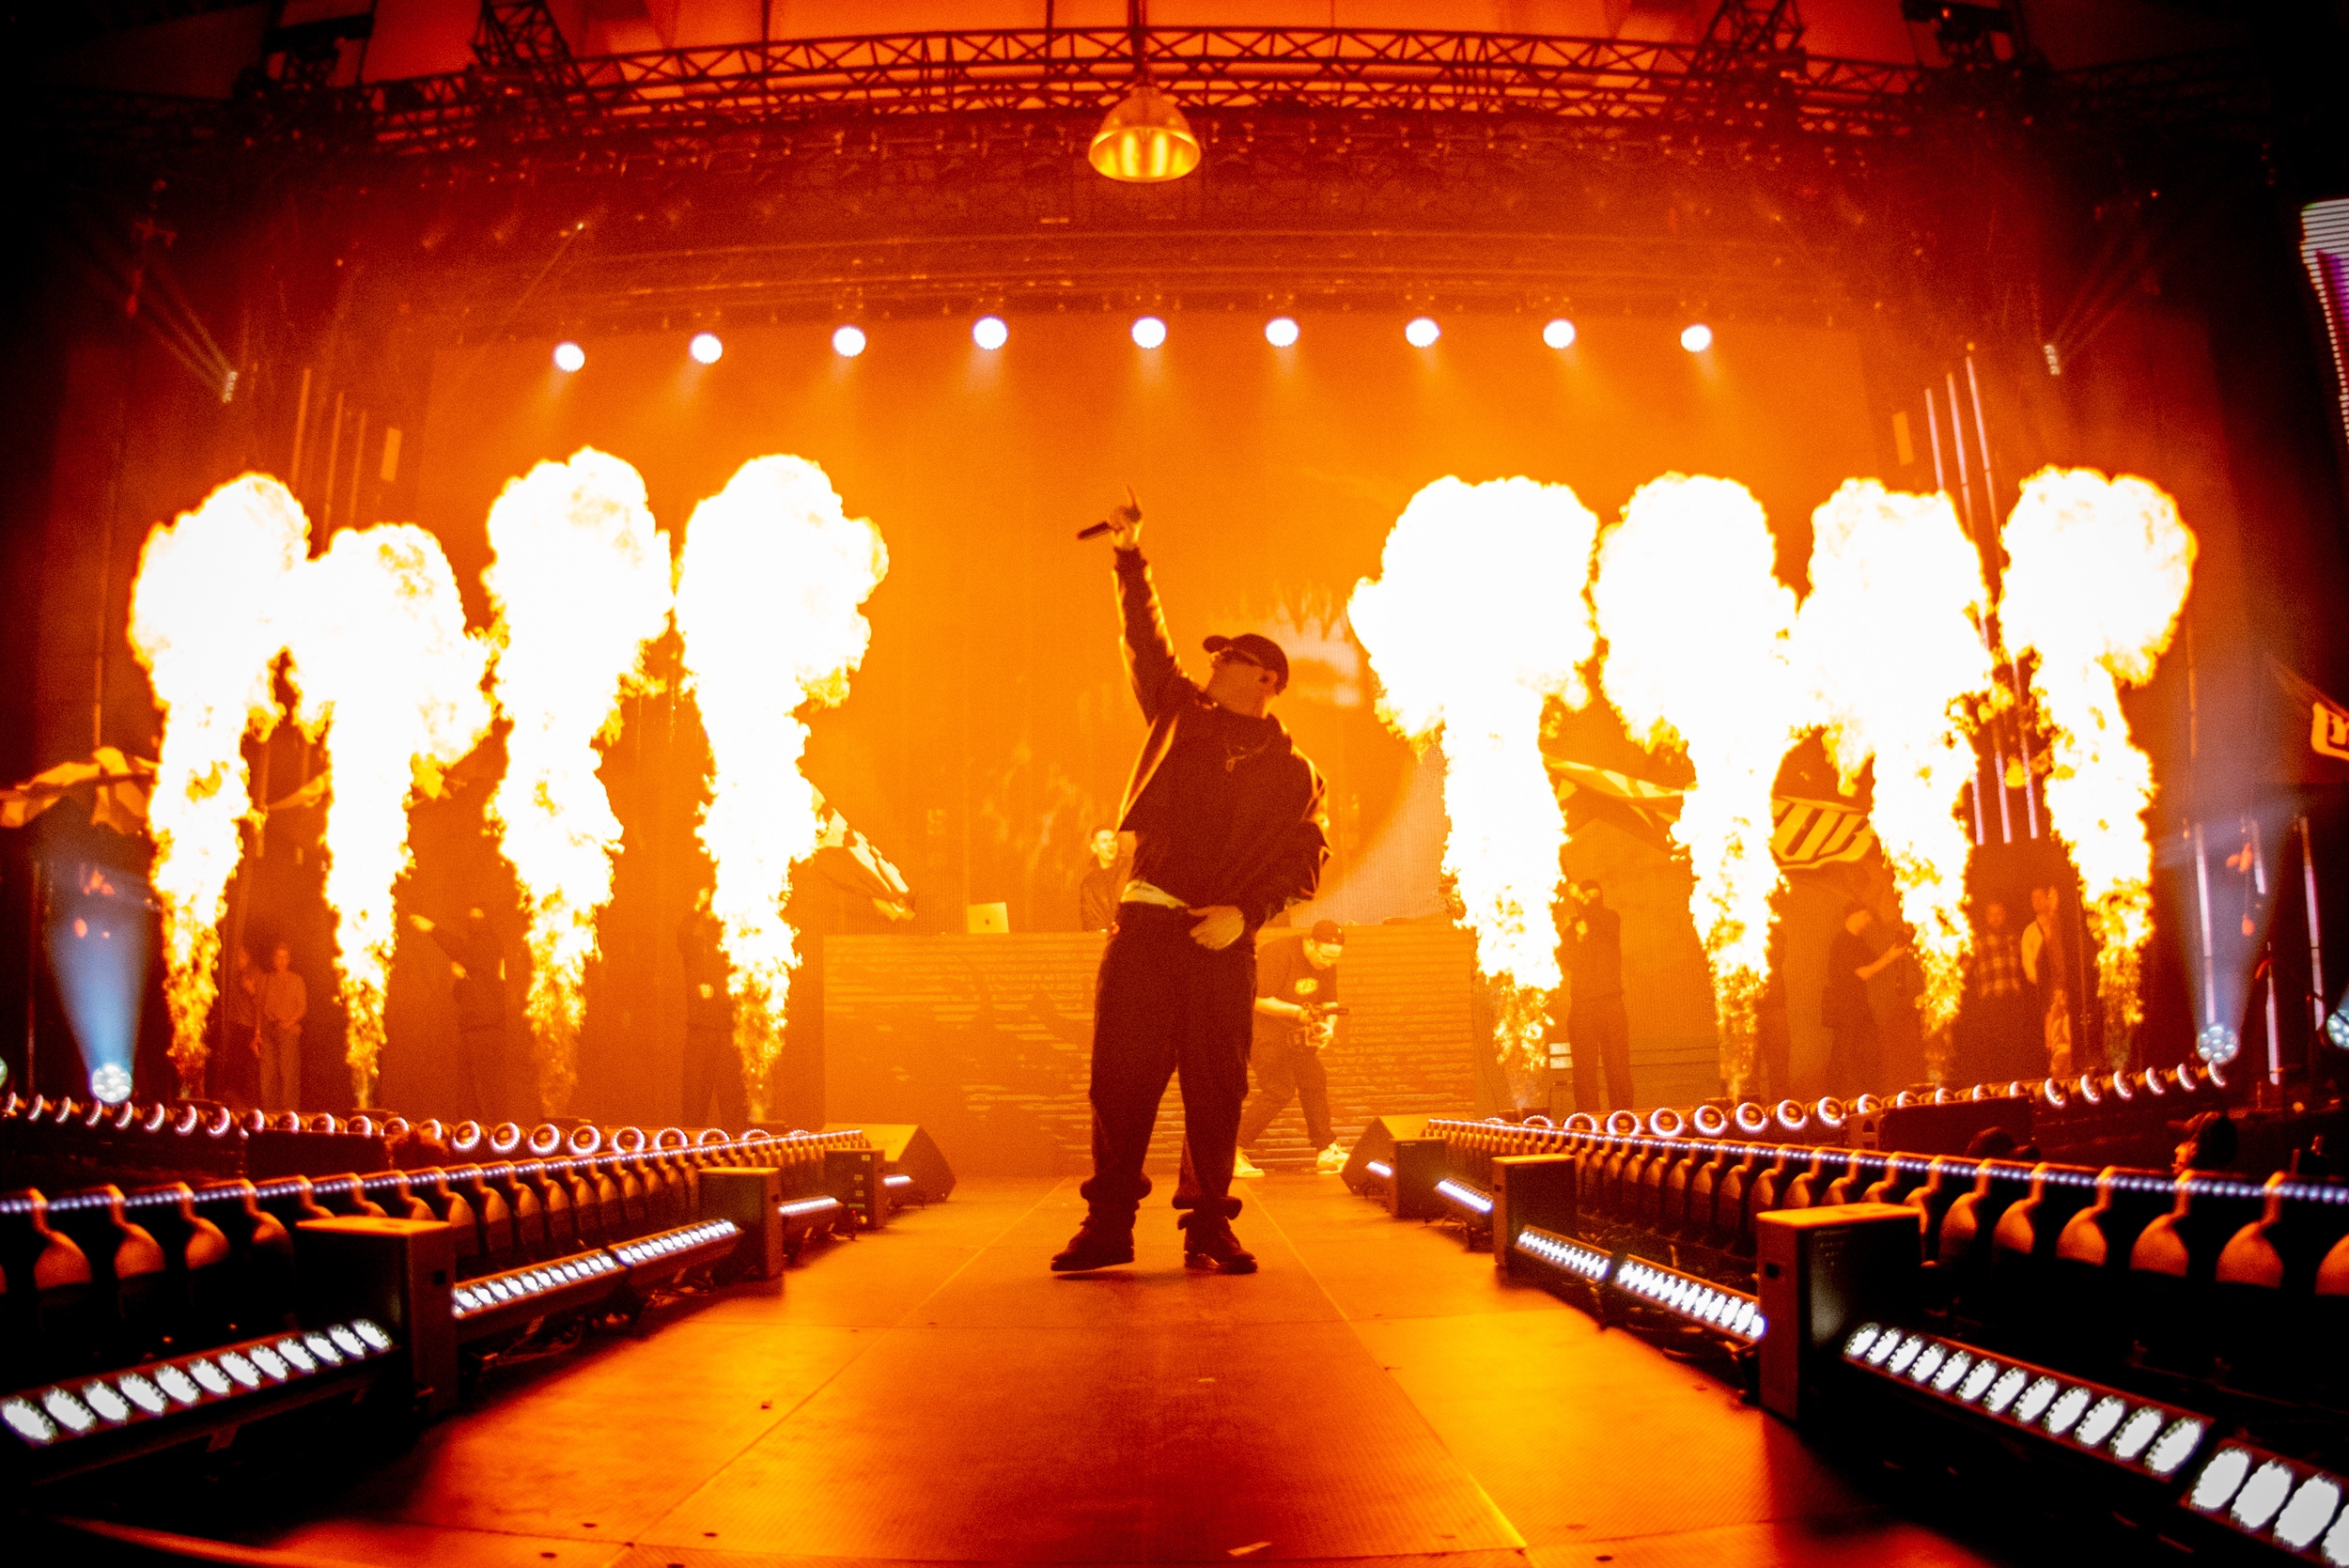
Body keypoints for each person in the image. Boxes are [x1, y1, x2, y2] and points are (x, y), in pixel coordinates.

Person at [1051, 492, 1330, 1276]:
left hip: (1221, 944)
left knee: (1216, 1089)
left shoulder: (1296, 772)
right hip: (1146, 929)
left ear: (1265, 677)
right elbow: (1146, 643)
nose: (1212, 664)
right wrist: (1130, 556)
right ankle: (1108, 1224)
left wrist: (1245, 914)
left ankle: (1209, 1225)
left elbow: (1304, 863)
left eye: (1228, 657)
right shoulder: (1179, 714)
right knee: (1120, 1080)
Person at [1236, 919, 1348, 1176]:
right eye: (1325, 956)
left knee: (1315, 1081)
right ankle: (1231, 1150)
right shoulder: (1278, 953)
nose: (1328, 963)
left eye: (1335, 957)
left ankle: (1326, 1151)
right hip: (1263, 1034)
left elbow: (1330, 1002)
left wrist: (1328, 1026)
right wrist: (1298, 1013)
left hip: (1297, 1037)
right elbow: (1256, 999)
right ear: (1310, 943)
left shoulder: (1327, 962)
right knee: (1278, 1090)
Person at [409, 908, 515, 1124]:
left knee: (488, 1084)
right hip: (472, 1025)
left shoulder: (489, 944)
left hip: (487, 1026)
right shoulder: (476, 959)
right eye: (471, 919)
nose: (474, 923)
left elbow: (461, 949)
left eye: (478, 918)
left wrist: (432, 929)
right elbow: (463, 994)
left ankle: (497, 1129)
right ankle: (471, 1128)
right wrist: (460, 977)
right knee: (469, 1086)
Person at [677, 887, 748, 1128]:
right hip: (699, 1030)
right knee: (694, 1098)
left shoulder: (734, 945)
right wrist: (696, 907)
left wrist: (718, 992)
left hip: (727, 1031)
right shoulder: (696, 948)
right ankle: (689, 1145)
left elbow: (743, 982)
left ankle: (737, 1143)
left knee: (732, 1100)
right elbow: (683, 937)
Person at [1561, 878, 1633, 1113]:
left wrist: (1580, 897)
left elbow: (1600, 920)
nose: (1591, 901)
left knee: (1618, 1066)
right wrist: (1579, 939)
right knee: (1583, 1068)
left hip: (1610, 1001)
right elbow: (1568, 961)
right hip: (1583, 1005)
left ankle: (1623, 1117)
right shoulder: (1572, 931)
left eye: (1594, 897)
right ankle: (1587, 1117)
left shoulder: (1610, 918)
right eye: (1587, 896)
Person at [1823, 902, 1905, 1096]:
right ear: (1854, 916)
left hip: (1858, 1008)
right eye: (1865, 915)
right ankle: (1841, 1099)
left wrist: (1893, 950)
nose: (1869, 920)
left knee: (1863, 1053)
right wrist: (1890, 957)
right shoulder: (1843, 942)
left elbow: (1874, 962)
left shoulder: (1858, 942)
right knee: (1846, 1056)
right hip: (1845, 1010)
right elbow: (1864, 973)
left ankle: (1865, 1095)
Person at [1963, 899, 2033, 1083]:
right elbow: (1965, 969)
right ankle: (1996, 1087)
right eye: (1991, 915)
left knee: (2015, 1048)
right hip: (1991, 1003)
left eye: (1998, 914)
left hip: (2013, 1001)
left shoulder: (2014, 939)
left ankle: (2015, 1087)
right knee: (1994, 1049)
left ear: (2004, 916)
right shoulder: (1977, 942)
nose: (1995, 918)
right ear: (1986, 918)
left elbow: (2026, 965)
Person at [2019, 884, 2075, 1077]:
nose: (2036, 902)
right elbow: (2028, 966)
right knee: (2052, 1034)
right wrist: (2045, 985)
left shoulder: (2061, 927)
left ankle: (2067, 1072)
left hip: (2065, 989)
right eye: (2033, 898)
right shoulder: (2030, 932)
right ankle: (2056, 1074)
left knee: (2067, 1032)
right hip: (2046, 992)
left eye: (2040, 897)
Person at [254, 942, 306, 1113]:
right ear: (273, 959)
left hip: (288, 1030)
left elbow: (302, 1007)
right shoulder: (266, 979)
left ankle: (289, 1113)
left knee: (288, 1073)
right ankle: (269, 1112)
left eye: (285, 957)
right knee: (267, 1074)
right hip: (269, 1029)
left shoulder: (296, 979)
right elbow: (259, 1006)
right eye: (278, 957)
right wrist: (257, 1033)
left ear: (289, 959)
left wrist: (289, 1022)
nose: (281, 960)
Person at [1078, 827, 1129, 933]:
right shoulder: (1089, 884)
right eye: (1104, 841)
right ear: (1094, 847)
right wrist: (1104, 932)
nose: (1110, 844)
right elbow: (1088, 918)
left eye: (1113, 840)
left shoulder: (1131, 870)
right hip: (1104, 939)